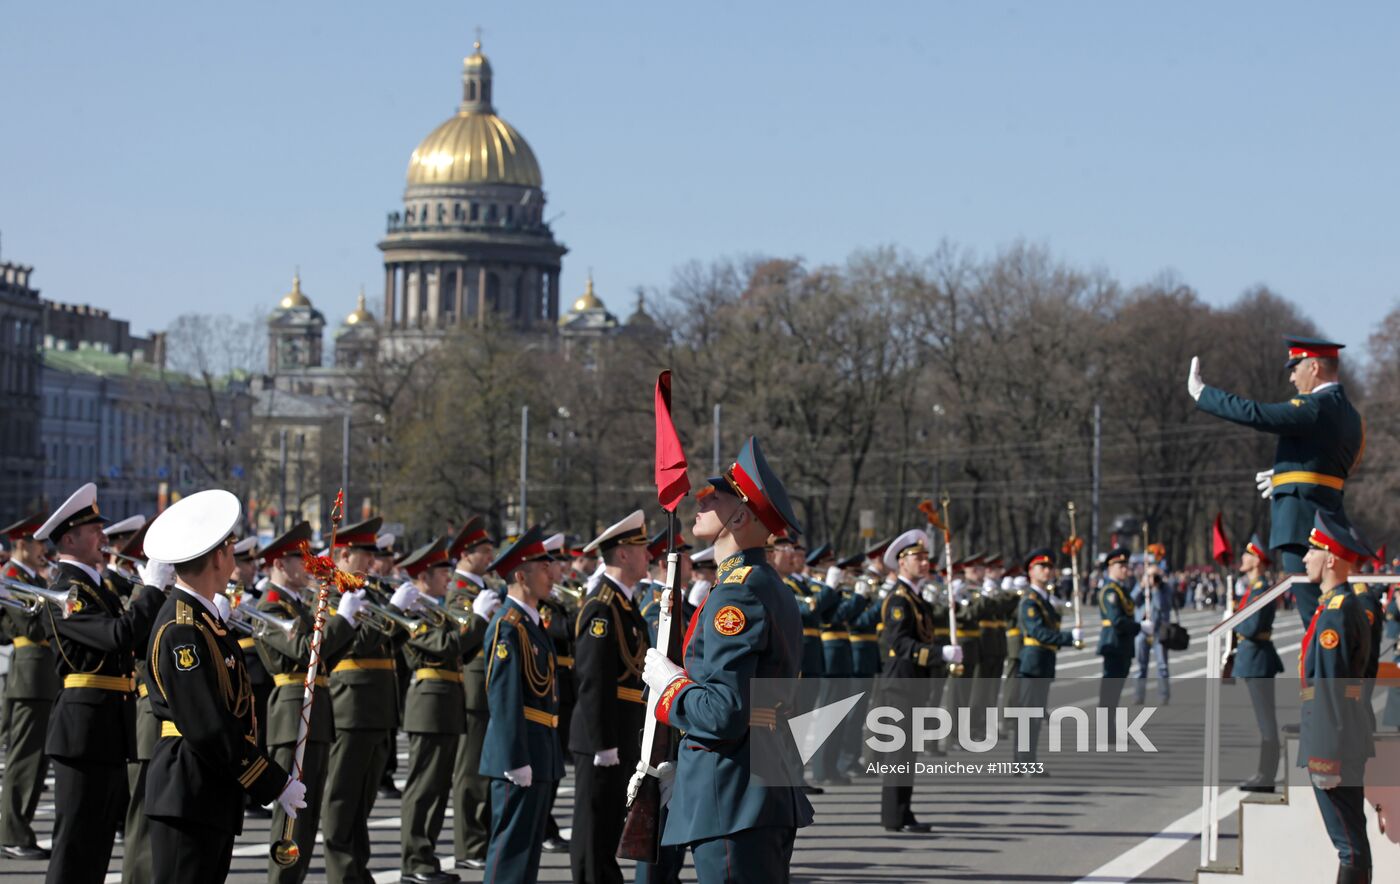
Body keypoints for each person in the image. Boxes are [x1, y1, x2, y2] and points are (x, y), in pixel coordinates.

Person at [641, 436, 815, 882]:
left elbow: (723, 713)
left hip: (733, 797)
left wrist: (670, 685)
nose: (702, 499)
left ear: (740, 515)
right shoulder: (766, 585)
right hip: (756, 786)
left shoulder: (736, 594)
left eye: (716, 496)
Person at [140, 489, 316, 883]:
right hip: (189, 787)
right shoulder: (183, 629)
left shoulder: (203, 620)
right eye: (231, 548)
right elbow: (208, 725)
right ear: (217, 556)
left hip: (208, 788)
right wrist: (272, 780)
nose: (235, 558)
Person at [35, 483, 166, 884]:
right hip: (84, 728)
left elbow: (139, 641)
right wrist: (154, 588)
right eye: (94, 530)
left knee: (96, 848)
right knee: (75, 846)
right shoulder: (68, 592)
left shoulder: (100, 586)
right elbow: (117, 636)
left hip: (108, 726)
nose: (103, 536)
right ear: (70, 538)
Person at [1189, 337, 1365, 624]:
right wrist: (1287, 474)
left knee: (1317, 620)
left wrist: (1203, 395)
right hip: (1327, 517)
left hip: (1302, 525)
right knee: (1327, 614)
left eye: (1296, 368)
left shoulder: (1315, 406)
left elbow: (1260, 414)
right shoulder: (1352, 416)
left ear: (1315, 367)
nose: (1293, 378)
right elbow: (1340, 464)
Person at [256, 521, 361, 884]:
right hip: (292, 712)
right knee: (290, 822)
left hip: (313, 712)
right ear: (280, 565)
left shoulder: (296, 604)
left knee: (308, 819)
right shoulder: (270, 605)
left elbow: (325, 658)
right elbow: (304, 652)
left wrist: (348, 622)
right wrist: (341, 620)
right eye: (300, 559)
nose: (310, 566)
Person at [396, 536, 489, 884]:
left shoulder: (433, 608)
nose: (448, 577)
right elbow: (445, 646)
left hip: (446, 701)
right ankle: (413, 860)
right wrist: (477, 619)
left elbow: (460, 652)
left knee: (436, 789)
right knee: (423, 788)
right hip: (428, 704)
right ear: (423, 575)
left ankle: (425, 857)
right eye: (440, 572)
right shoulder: (413, 612)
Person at [479, 526, 564, 883]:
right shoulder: (508, 626)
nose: (551, 574)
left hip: (540, 749)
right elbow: (504, 697)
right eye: (542, 568)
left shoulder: (532, 623)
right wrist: (516, 759)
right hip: (521, 754)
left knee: (527, 855)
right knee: (510, 851)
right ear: (520, 575)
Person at [321, 516, 403, 884]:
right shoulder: (328, 590)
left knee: (363, 801)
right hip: (349, 706)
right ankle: (341, 873)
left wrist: (400, 620)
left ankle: (357, 870)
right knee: (341, 800)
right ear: (342, 553)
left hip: (377, 706)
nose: (371, 562)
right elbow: (352, 643)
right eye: (363, 555)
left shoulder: (369, 592)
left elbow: (387, 644)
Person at [572, 510, 652, 884]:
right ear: (623, 555)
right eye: (642, 549)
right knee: (595, 827)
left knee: (607, 825)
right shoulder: (602, 606)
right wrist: (603, 743)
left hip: (621, 730)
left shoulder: (624, 603)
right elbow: (593, 680)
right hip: (602, 736)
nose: (649, 555)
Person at [1298, 510, 1376, 883]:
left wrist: (1324, 756)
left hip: (1336, 742)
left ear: (1330, 558)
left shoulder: (1336, 613)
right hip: (1345, 733)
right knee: (1351, 838)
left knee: (1349, 843)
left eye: (1312, 551)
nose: (1305, 558)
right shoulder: (1343, 607)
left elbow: (1329, 686)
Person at [876, 528, 962, 832]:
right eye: (918, 557)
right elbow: (901, 645)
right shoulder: (899, 601)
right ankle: (892, 816)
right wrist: (941, 654)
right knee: (898, 753)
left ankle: (903, 811)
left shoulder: (916, 597)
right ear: (901, 562)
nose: (924, 563)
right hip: (901, 681)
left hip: (914, 681)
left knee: (908, 752)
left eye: (926, 558)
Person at [0, 514, 58, 859]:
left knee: (35, 762)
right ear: (22, 543)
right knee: (24, 760)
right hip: (29, 677)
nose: (44, 550)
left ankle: (19, 829)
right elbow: (33, 629)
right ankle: (12, 832)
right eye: (39, 543)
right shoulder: (10, 578)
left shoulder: (30, 578)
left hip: (41, 676)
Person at [442, 516, 498, 873]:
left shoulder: (485, 587)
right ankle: (469, 843)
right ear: (465, 554)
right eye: (483, 550)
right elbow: (463, 637)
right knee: (470, 772)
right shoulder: (460, 592)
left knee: (487, 768)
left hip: (490, 683)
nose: (490, 554)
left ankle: (483, 837)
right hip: (474, 685)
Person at [1014, 548, 1082, 770]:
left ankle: (1028, 760)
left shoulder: (1046, 600)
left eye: (1049, 567)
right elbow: (1038, 632)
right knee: (1027, 716)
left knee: (1035, 715)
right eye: (1041, 567)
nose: (1047, 571)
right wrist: (1069, 637)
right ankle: (1022, 762)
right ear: (1030, 571)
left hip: (1044, 662)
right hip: (1032, 662)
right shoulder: (1029, 601)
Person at [1234, 534, 1284, 792]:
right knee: (1264, 720)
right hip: (1254, 658)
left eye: (1247, 554)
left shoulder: (1260, 589)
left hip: (1258, 659)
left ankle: (1266, 775)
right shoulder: (1254, 588)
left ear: (1257, 560)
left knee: (1266, 722)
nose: (1242, 558)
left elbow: (1250, 626)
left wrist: (1234, 620)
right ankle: (1265, 773)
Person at [1096, 547, 1140, 746]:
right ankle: (1105, 731)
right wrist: (1139, 627)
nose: (1125, 569)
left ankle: (1110, 731)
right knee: (1110, 691)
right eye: (1121, 566)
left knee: (1115, 691)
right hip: (1114, 642)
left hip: (1122, 644)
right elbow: (1117, 620)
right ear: (1110, 567)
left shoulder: (1122, 589)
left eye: (1126, 565)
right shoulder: (1110, 591)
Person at [1132, 557, 1174, 705]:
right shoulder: (1141, 586)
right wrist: (1142, 586)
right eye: (1149, 575)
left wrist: (1155, 588)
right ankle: (1139, 695)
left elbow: (1163, 606)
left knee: (1162, 665)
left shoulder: (1165, 588)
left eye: (1155, 575)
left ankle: (1164, 696)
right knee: (1140, 666)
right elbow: (1132, 601)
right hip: (1142, 629)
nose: (1152, 578)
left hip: (1159, 630)